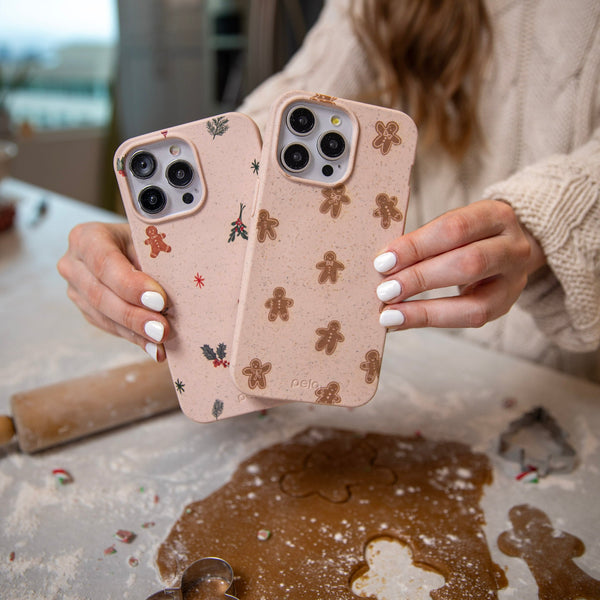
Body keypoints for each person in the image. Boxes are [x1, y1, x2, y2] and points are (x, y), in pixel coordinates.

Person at [58, 0, 600, 382]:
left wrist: (546, 219)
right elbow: (294, 105)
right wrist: (168, 227)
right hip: (391, 360)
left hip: (557, 379)